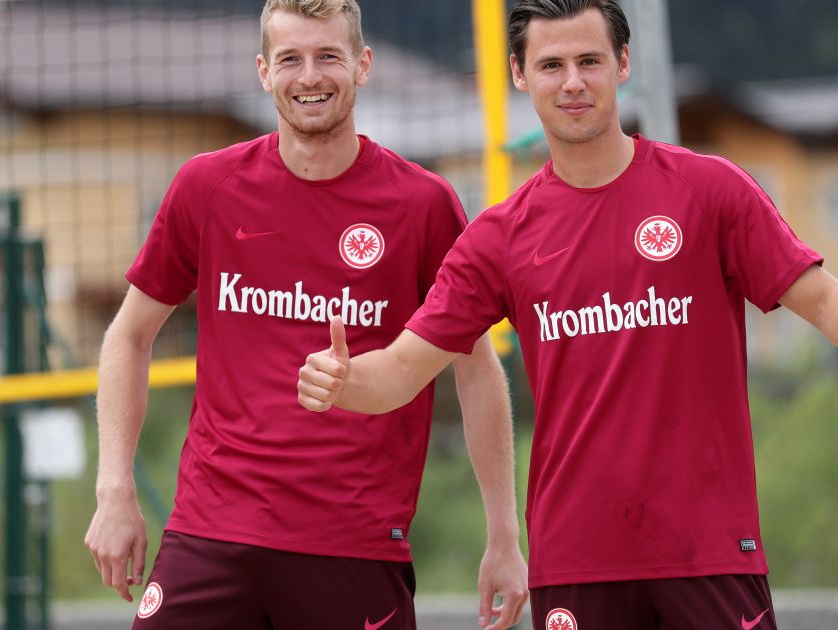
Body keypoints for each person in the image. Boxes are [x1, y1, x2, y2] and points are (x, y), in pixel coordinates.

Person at [297, 0, 838, 628]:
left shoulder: (710, 191)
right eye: (551, 65)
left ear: (622, 63)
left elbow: (822, 296)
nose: (572, 82)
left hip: (710, 555)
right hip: (577, 565)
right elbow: (402, 369)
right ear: (519, 73)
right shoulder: (498, 238)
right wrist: (344, 383)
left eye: (589, 61)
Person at [84, 1, 528, 628]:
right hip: (213, 529)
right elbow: (127, 336)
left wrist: (504, 537)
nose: (309, 76)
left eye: (328, 57)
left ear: (363, 65)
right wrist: (114, 489)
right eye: (290, 58)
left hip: (352, 540)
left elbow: (476, 369)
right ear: (264, 72)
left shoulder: (421, 204)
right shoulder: (207, 187)